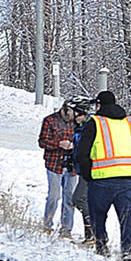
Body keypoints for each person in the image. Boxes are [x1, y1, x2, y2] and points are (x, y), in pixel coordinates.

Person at [73, 90, 131, 261]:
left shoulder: (96, 122)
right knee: (126, 217)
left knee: (98, 215)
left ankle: (102, 247)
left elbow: (82, 152)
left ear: (99, 105)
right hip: (130, 177)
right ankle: (128, 253)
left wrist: (87, 174)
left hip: (102, 178)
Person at [39, 99, 86, 237]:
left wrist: (74, 146)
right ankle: (47, 224)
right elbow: (42, 141)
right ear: (65, 109)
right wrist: (59, 144)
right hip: (54, 164)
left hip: (71, 166)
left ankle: (66, 230)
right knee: (54, 196)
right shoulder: (50, 120)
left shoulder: (78, 123)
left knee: (69, 199)